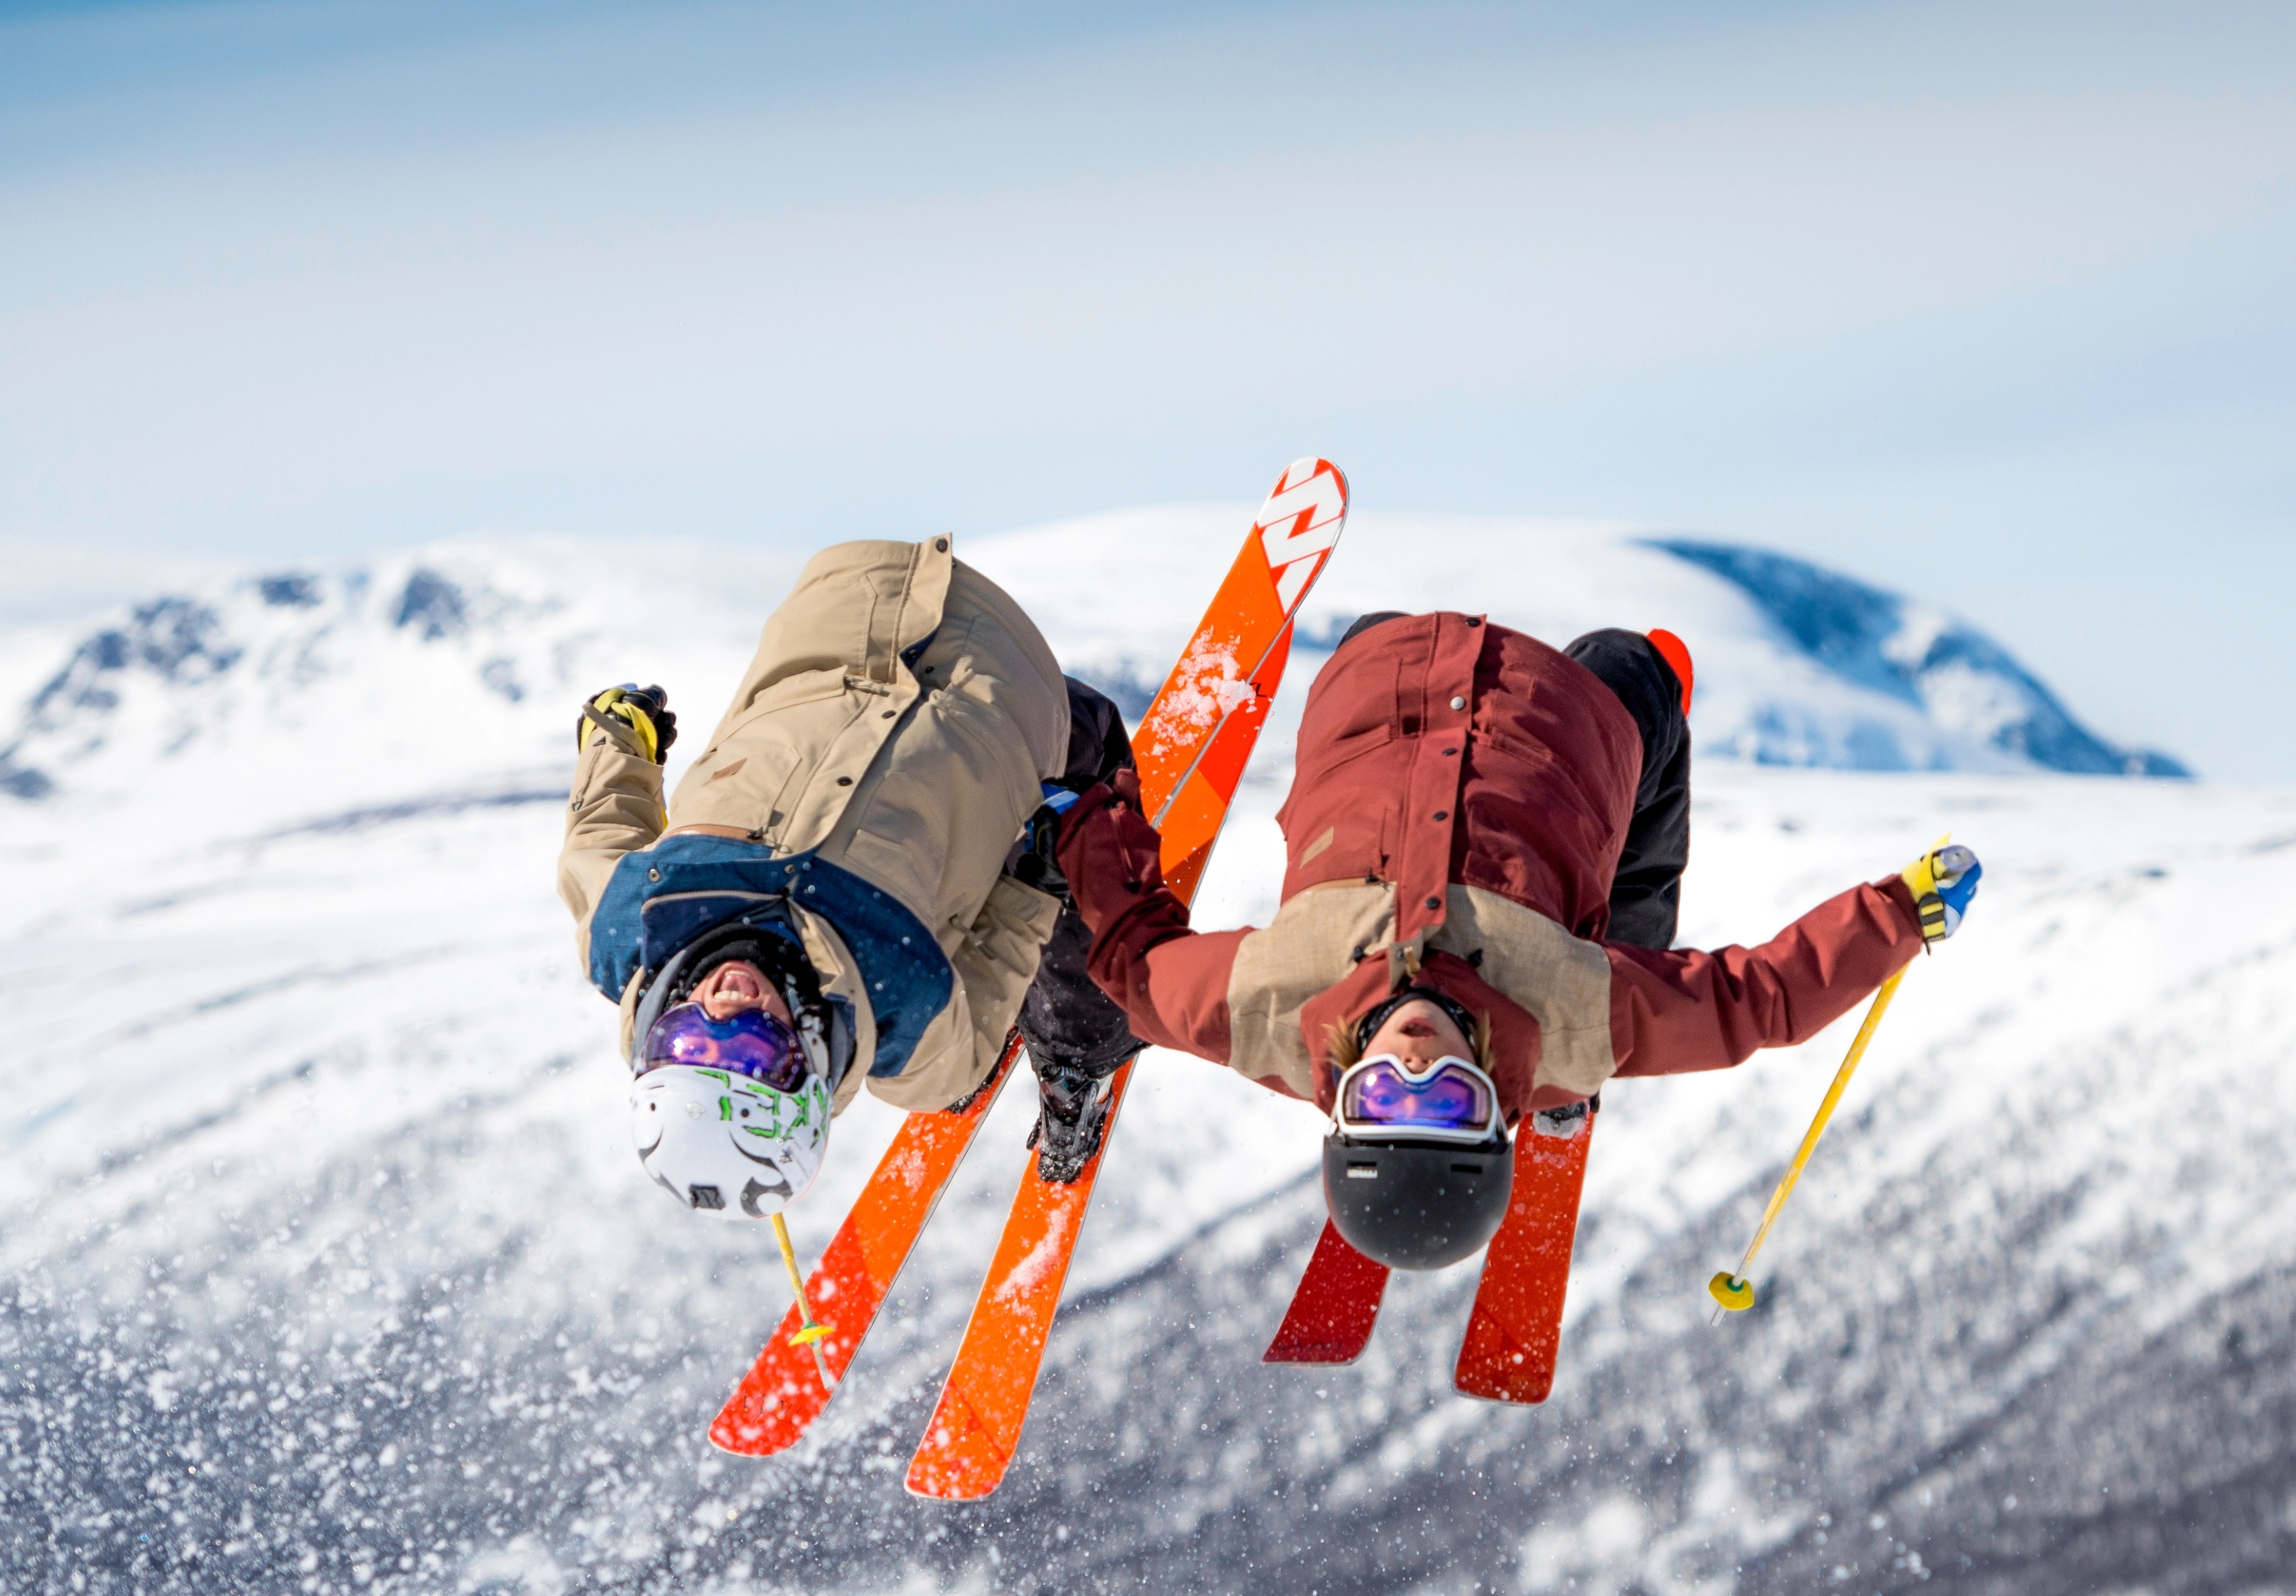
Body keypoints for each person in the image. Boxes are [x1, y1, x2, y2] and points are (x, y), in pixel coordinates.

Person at [1051, 611, 1983, 1270]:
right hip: (1563, 724)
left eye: (1383, 1095)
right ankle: (1573, 1076)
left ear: (1337, 1104)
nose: (1415, 1062)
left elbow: (1134, 960)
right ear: (1498, 1105)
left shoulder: (1260, 1009)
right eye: (1451, 1100)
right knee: (1632, 667)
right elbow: (1763, 1002)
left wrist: (1084, 816)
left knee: (1383, 628)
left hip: (1385, 682)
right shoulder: (1575, 1019)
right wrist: (1898, 917)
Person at [557, 533, 1139, 1219]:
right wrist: (1039, 878)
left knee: (945, 1011)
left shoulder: (628, 928)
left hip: (846, 606)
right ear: (802, 1063)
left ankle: (1059, 1031)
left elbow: (599, 832)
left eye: (685, 1044)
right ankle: (1078, 1052)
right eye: (749, 1053)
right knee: (1082, 794)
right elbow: (1010, 934)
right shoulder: (915, 1028)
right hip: (993, 669)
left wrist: (616, 742)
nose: (721, 1009)